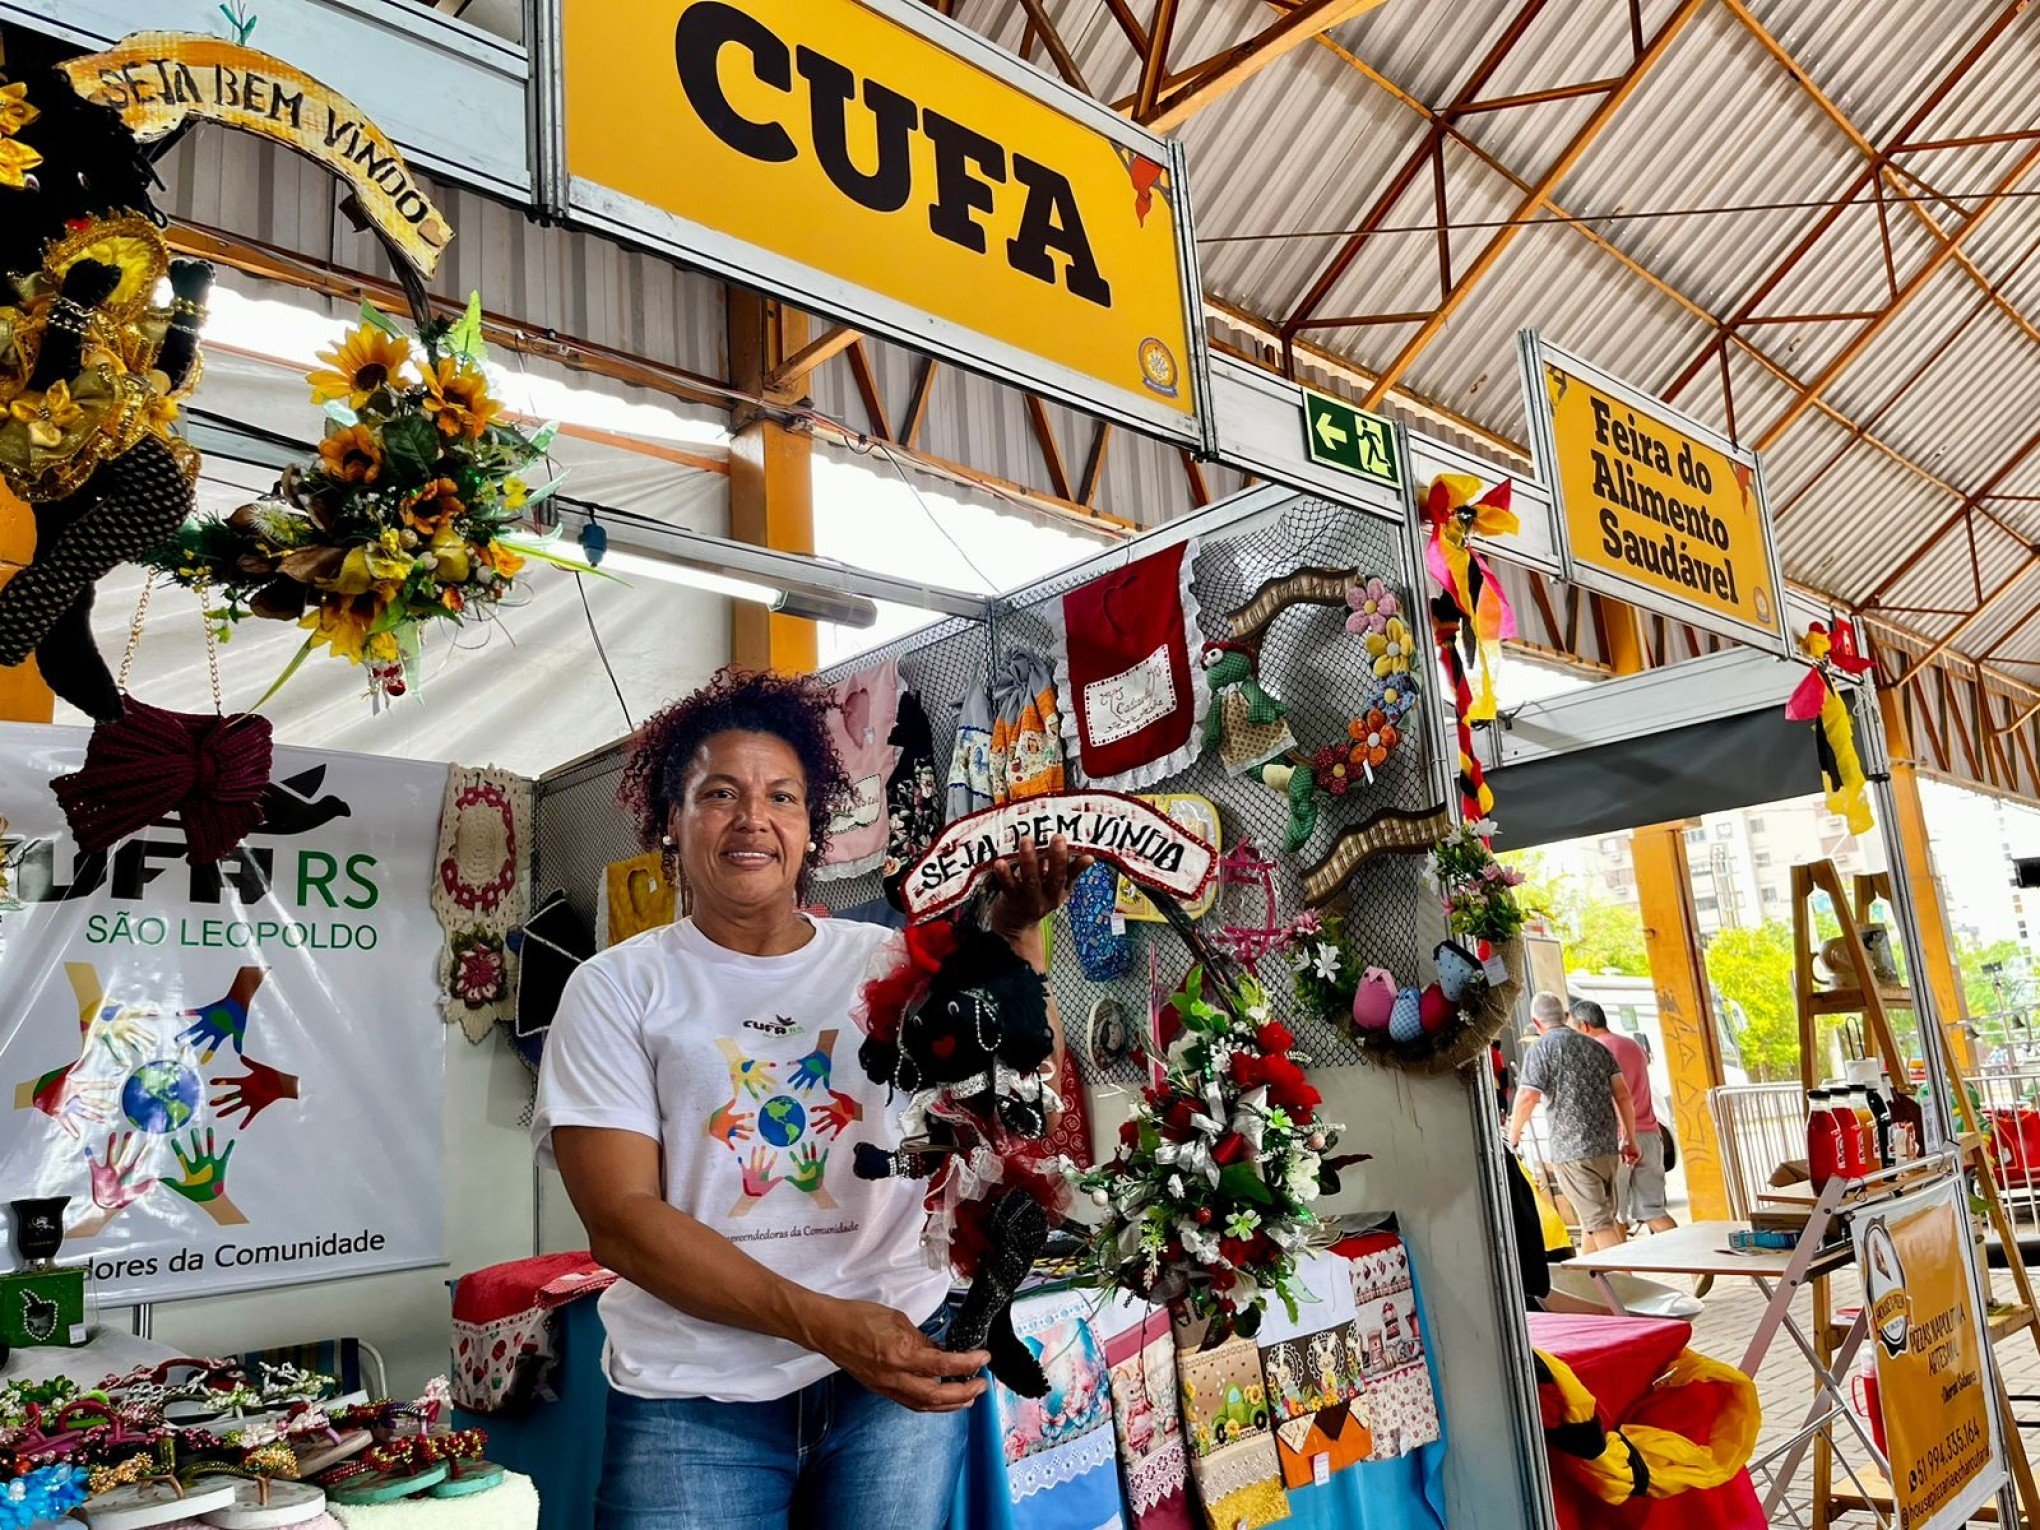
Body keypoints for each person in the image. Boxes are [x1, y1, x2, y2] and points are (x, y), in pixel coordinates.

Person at [532, 668, 1082, 1528]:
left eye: (782, 797)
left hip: (894, 1382)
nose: (753, 817)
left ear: (812, 826)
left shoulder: (888, 960)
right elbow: (622, 1221)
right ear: (670, 825)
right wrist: (825, 1325)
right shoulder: (615, 989)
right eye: (719, 793)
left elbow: (1015, 1077)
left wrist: (1015, 935)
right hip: (694, 1398)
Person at [1506, 991, 1641, 1252]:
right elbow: (1622, 1094)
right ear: (1566, 1017)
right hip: (1607, 1150)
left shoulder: (1541, 1049)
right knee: (1592, 1220)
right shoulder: (1596, 1047)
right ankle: (1588, 1286)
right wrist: (1630, 1139)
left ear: (1536, 1022)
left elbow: (1527, 1096)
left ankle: (1627, 1289)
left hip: (1573, 1153)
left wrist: (1513, 1134)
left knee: (1601, 1227)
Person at [1572, 997, 1678, 1235]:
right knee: (1654, 1210)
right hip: (1650, 1134)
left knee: (1613, 1215)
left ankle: (1623, 1273)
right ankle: (1696, 1268)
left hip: (1618, 1138)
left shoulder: (1594, 1050)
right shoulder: (1633, 1046)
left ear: (1584, 1026)